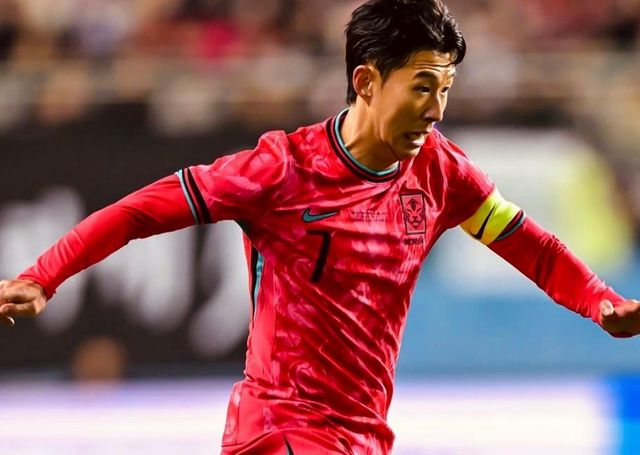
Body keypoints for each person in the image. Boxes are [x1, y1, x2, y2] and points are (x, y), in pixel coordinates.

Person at [1, 0, 639, 453]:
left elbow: (530, 246)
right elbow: (139, 211)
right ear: (366, 81)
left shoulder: (444, 173)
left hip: (363, 435)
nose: (436, 109)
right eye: (422, 87)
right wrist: (43, 275)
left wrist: (599, 301)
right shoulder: (279, 170)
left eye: (445, 89)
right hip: (279, 429)